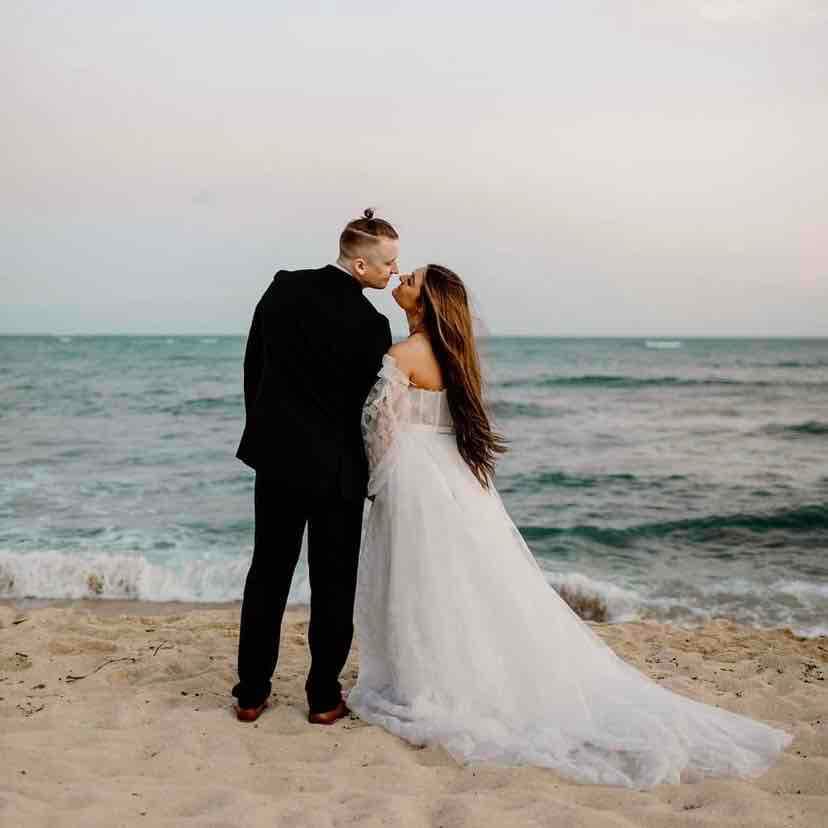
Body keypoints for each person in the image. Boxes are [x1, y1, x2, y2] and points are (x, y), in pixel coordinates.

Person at [347, 264, 793, 788]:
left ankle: (420, 679)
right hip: (455, 478)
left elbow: (377, 425)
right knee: (460, 582)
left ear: (426, 302)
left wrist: (374, 480)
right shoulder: (455, 356)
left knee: (420, 580)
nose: (402, 278)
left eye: (413, 279)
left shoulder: (404, 355)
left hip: (417, 477)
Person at [231, 209, 398, 724]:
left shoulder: (282, 289)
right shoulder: (374, 326)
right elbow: (370, 411)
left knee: (268, 574)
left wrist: (264, 431)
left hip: (278, 459)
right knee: (333, 584)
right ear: (361, 262)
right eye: (388, 262)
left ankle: (252, 693)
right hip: (338, 470)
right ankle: (323, 697)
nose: (394, 271)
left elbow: (253, 366)